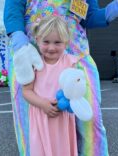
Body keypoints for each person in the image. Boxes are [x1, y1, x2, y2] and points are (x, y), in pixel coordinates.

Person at [22, 16, 78, 156]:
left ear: (66, 43)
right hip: (41, 116)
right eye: (46, 42)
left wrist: (67, 102)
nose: (51, 48)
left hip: (62, 116)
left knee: (62, 150)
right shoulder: (34, 64)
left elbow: (77, 89)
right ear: (37, 40)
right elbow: (26, 91)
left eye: (57, 42)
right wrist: (43, 104)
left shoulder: (71, 62)